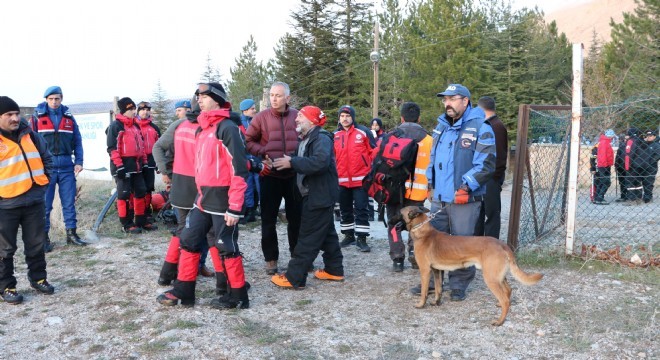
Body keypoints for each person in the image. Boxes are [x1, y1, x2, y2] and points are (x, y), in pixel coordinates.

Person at [157, 83, 250, 309]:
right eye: (198, 95)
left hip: (224, 200)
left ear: (217, 99)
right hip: (203, 199)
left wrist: (235, 206)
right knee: (188, 239)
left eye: (205, 95)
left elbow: (240, 168)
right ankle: (184, 291)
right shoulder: (203, 128)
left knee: (226, 245)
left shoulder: (227, 128)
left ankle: (237, 296)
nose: (199, 99)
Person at [423, 84, 496, 301]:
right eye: (445, 100)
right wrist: (430, 184)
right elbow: (433, 159)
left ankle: (459, 285)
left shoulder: (481, 127)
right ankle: (430, 283)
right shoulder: (441, 127)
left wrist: (466, 186)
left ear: (465, 101)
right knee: (433, 242)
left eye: (453, 99)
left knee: (463, 244)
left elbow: (486, 164)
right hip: (440, 198)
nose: (448, 104)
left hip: (465, 198)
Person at [270, 106, 345, 289]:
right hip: (317, 194)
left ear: (311, 121)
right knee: (327, 234)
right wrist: (281, 162)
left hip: (319, 195)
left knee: (307, 237)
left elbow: (320, 162)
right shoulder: (306, 139)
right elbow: (298, 159)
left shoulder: (321, 138)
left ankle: (294, 277)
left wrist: (292, 162)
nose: (296, 119)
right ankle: (334, 270)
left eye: (300, 116)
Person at [152, 99, 213, 287]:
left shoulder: (198, 125)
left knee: (185, 229)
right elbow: (158, 148)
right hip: (193, 186)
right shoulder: (183, 125)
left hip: (190, 185)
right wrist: (166, 173)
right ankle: (185, 272)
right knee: (202, 230)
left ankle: (170, 273)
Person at [0, 96, 55, 304]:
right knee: (4, 249)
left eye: (16, 113)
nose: (15, 118)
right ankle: (7, 287)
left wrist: (45, 182)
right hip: (6, 205)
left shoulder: (30, 134)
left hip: (33, 200)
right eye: (9, 115)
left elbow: (46, 157)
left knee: (36, 243)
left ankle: (39, 278)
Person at [245, 82, 301, 275]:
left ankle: (298, 256)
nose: (274, 99)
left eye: (278, 95)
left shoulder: (297, 116)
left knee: (296, 219)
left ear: (288, 98)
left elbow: (307, 139)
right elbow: (248, 141)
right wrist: (263, 153)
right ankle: (271, 259)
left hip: (294, 175)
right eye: (271, 95)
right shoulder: (260, 117)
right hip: (270, 176)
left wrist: (297, 160)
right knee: (268, 220)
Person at [30, 86, 86, 251]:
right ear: (46, 99)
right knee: (45, 205)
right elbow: (29, 144)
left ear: (61, 99)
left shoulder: (69, 118)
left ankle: (71, 235)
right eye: (51, 99)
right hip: (46, 168)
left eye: (57, 99)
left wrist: (79, 161)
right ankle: (43, 239)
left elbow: (77, 140)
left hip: (67, 166)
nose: (54, 102)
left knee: (69, 203)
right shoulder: (36, 119)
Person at [385, 102, 432, 272]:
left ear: (401, 118)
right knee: (416, 223)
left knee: (394, 223)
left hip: (394, 190)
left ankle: (397, 259)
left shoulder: (391, 136)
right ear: (419, 118)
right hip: (418, 192)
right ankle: (415, 253)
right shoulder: (429, 140)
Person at [106, 97, 153, 233]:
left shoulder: (135, 125)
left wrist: (144, 163)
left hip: (136, 165)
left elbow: (142, 147)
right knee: (124, 195)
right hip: (123, 165)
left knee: (140, 192)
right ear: (124, 111)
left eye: (134, 109)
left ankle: (140, 221)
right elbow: (112, 148)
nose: (134, 111)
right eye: (131, 109)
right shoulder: (116, 126)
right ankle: (126, 224)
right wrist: (119, 166)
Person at [334, 105, 375, 252]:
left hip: (361, 179)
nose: (345, 119)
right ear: (339, 118)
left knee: (361, 208)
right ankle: (348, 235)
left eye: (348, 116)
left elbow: (373, 152)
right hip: (342, 180)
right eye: (342, 116)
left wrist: (371, 173)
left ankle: (362, 238)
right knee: (344, 209)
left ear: (353, 117)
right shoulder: (335, 135)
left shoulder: (363, 132)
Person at [473, 96, 509, 236]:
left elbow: (498, 156)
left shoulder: (495, 126)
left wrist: (495, 179)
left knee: (491, 216)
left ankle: (492, 250)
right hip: (484, 178)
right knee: (479, 216)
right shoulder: (489, 125)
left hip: (490, 178)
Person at [136, 101, 161, 226]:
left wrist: (159, 163)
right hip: (138, 161)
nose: (145, 112)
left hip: (151, 160)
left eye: (147, 109)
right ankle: (137, 213)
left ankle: (147, 212)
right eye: (142, 110)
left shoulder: (154, 128)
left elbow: (160, 146)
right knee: (138, 188)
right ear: (137, 111)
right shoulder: (133, 125)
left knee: (148, 188)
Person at [239, 98, 260, 223]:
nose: (255, 110)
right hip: (245, 159)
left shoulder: (256, 122)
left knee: (259, 185)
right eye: (252, 108)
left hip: (257, 158)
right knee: (248, 186)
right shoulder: (238, 124)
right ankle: (250, 210)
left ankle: (259, 208)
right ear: (245, 110)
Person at [591, 129, 615, 205]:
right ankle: (599, 197)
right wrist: (604, 166)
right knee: (606, 182)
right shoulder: (605, 143)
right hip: (604, 165)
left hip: (603, 165)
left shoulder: (604, 142)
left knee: (601, 182)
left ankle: (597, 197)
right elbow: (603, 156)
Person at [622, 128, 644, 205]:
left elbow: (628, 154)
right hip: (640, 166)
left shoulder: (631, 141)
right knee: (638, 182)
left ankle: (631, 199)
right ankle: (638, 198)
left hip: (632, 166)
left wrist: (627, 167)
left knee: (630, 182)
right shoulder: (641, 141)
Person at [640, 130, 659, 203]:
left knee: (649, 182)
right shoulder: (645, 144)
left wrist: (650, 162)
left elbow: (657, 155)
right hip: (643, 166)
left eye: (650, 136)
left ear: (654, 136)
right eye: (647, 136)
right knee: (644, 182)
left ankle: (648, 197)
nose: (648, 137)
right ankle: (645, 196)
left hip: (651, 167)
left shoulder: (656, 145)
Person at [614, 132, 629, 202]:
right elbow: (617, 157)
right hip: (621, 167)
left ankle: (628, 196)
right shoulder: (621, 146)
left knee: (628, 181)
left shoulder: (631, 146)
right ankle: (623, 196)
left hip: (628, 167)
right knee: (622, 182)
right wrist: (616, 165)